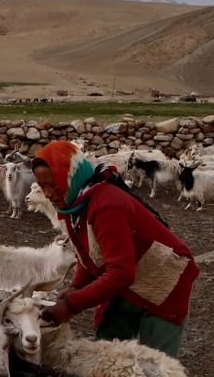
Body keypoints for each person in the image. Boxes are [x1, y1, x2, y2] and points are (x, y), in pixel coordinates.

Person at [31, 140, 198, 357]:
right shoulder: (75, 204)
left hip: (163, 281)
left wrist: (71, 305)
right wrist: (77, 286)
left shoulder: (107, 206)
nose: (48, 193)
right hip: (129, 278)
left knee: (156, 367)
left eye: (53, 184)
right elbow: (90, 252)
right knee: (108, 353)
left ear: (70, 176)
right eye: (42, 185)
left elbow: (121, 273)